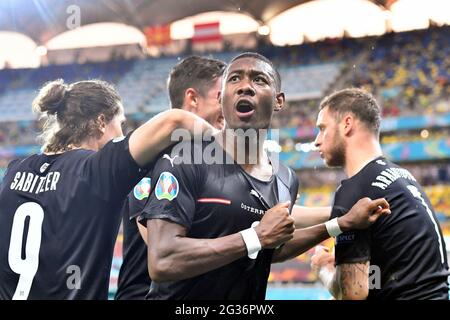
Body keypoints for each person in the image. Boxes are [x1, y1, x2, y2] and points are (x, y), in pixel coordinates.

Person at [139, 53, 390, 300]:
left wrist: (341, 224)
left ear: (279, 101)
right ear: (220, 97)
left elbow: (272, 249)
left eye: (259, 80)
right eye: (234, 79)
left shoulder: (285, 178)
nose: (245, 87)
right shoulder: (184, 159)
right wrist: (255, 236)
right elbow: (163, 261)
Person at [0, 79, 215, 300]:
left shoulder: (15, 170)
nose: (122, 132)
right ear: (101, 122)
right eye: (120, 123)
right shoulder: (95, 171)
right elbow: (174, 121)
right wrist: (228, 144)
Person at [310, 88, 449, 300]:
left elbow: (353, 293)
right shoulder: (402, 177)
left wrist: (322, 269)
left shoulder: (355, 189)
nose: (317, 140)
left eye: (322, 128)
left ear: (347, 124)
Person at [115, 56, 226, 300]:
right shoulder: (153, 157)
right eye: (221, 97)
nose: (229, 105)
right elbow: (160, 247)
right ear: (193, 98)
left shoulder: (208, 158)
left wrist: (329, 219)